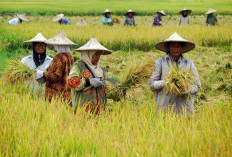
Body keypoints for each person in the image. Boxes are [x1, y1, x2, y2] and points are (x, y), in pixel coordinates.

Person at [149, 32, 201, 117]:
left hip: (185, 111)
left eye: (178, 46)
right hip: (165, 111)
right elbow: (152, 85)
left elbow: (197, 85)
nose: (175, 49)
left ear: (182, 48)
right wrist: (166, 82)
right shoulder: (160, 62)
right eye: (173, 46)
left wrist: (185, 89)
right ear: (168, 48)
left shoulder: (189, 63)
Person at [67, 37, 112, 114]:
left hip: (100, 113)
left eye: (99, 54)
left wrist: (114, 91)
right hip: (83, 112)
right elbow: (71, 82)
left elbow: (105, 88)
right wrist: (88, 81)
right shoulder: (78, 67)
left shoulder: (100, 70)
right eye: (96, 54)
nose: (98, 57)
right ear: (88, 54)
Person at [35, 31, 76, 104]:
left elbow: (55, 77)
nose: (55, 48)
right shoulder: (70, 56)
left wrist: (42, 73)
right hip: (67, 92)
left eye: (56, 46)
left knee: (55, 114)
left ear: (58, 46)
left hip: (57, 94)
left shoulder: (59, 57)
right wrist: (50, 68)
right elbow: (63, 72)